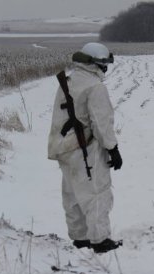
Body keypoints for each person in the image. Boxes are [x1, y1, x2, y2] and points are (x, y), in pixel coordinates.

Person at [48, 42, 123, 253]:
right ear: (97, 63)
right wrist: (113, 149)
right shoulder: (95, 87)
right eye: (105, 63)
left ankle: (80, 239)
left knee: (72, 193)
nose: (106, 68)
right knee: (96, 192)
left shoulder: (69, 81)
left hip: (64, 147)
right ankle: (100, 241)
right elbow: (101, 122)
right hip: (85, 148)